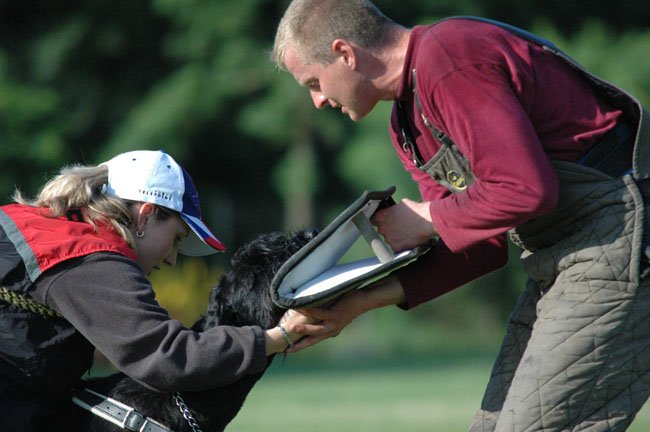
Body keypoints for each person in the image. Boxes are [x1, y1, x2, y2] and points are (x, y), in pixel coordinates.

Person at [271, 1, 650, 430]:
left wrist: (429, 218)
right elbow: (482, 247)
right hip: (565, 259)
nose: (318, 100)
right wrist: (355, 304)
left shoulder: (450, 56)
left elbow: (527, 190)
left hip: (622, 237)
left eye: (314, 82)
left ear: (345, 53)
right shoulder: (407, 124)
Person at [0, 150, 318, 430]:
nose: (171, 259)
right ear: (146, 215)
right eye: (176, 238)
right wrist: (279, 337)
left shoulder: (43, 226)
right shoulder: (88, 255)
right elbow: (167, 358)